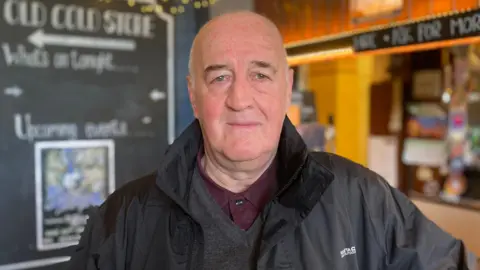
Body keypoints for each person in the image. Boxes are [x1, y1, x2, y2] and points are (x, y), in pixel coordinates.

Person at [66, 11, 469, 270]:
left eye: (260, 74)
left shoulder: (362, 200)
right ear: (193, 94)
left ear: (286, 87)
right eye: (220, 76)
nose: (241, 99)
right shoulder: (124, 219)